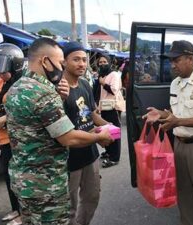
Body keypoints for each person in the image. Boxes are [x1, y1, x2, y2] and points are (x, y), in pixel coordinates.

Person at [4, 37, 113, 225]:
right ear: (45, 61)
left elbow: (86, 113)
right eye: (62, 62)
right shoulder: (45, 92)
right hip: (46, 181)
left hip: (25, 179)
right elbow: (67, 138)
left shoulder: (17, 87)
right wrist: (99, 136)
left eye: (84, 60)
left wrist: (105, 127)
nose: (62, 67)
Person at [143, 40, 193, 225]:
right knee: (185, 198)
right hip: (179, 145)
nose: (172, 65)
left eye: (176, 60)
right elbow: (177, 114)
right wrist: (163, 114)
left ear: (190, 58)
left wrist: (177, 121)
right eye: (171, 61)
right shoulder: (175, 84)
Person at [61, 42, 110, 225]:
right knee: (69, 206)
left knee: (92, 197)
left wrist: (109, 127)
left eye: (84, 60)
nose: (81, 64)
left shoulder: (85, 84)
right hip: (69, 159)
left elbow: (91, 114)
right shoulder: (59, 90)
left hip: (91, 154)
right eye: (76, 59)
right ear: (64, 62)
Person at [0, 43, 24, 225]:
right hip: (1, 136)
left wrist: (7, 118)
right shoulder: (1, 80)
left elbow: (27, 110)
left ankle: (24, 213)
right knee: (9, 176)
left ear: (15, 66)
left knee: (20, 176)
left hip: (16, 138)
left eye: (3, 71)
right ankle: (16, 209)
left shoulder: (23, 84)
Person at [98, 59, 125, 168]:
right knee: (106, 130)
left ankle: (114, 158)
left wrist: (103, 83)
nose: (102, 64)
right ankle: (108, 152)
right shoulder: (102, 75)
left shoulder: (114, 74)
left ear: (109, 63)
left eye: (105, 61)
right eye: (100, 62)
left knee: (114, 132)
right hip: (104, 107)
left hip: (112, 107)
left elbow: (114, 89)